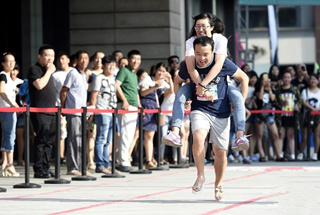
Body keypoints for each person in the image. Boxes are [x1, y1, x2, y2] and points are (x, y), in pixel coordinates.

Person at [162, 12, 249, 151]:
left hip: (221, 83)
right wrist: (198, 89)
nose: (200, 29)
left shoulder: (220, 40)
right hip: (196, 82)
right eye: (197, 26)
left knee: (238, 97)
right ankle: (174, 133)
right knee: (180, 95)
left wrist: (240, 105)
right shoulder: (191, 42)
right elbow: (191, 69)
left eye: (204, 26)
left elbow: (219, 65)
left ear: (212, 27)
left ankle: (240, 136)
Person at [188, 36, 248, 200]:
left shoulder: (222, 63)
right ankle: (200, 176)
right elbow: (177, 80)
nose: (202, 58)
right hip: (200, 109)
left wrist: (239, 103)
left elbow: (244, 78)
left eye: (205, 54)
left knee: (220, 152)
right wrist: (184, 99)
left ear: (212, 52)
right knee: (198, 136)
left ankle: (219, 184)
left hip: (221, 112)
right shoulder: (189, 63)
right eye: (198, 54)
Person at [28, 45, 56, 178]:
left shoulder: (48, 71)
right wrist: (49, 72)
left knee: (49, 141)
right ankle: (38, 169)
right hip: (40, 111)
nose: (50, 58)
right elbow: (39, 85)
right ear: (40, 56)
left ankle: (46, 167)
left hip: (51, 111)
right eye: (47, 55)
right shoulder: (35, 69)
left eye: (52, 56)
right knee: (41, 140)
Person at [60, 50, 89, 175]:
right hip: (73, 110)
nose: (84, 61)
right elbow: (64, 91)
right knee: (73, 140)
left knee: (81, 140)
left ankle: (81, 167)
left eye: (86, 58)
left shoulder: (83, 75)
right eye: (82, 58)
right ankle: (72, 167)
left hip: (82, 111)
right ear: (76, 60)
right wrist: (63, 108)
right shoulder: (73, 73)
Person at [115, 49, 142, 172]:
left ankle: (124, 159)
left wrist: (139, 105)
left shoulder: (134, 74)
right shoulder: (124, 71)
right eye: (134, 59)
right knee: (125, 135)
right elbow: (116, 85)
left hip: (134, 107)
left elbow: (135, 92)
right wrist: (124, 100)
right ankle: (122, 161)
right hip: (126, 106)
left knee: (130, 135)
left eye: (138, 59)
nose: (136, 61)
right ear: (129, 59)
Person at [90, 55, 117, 174]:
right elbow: (93, 97)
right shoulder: (98, 78)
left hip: (112, 112)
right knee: (101, 138)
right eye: (109, 65)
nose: (111, 68)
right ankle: (99, 164)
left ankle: (107, 164)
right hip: (102, 111)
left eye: (113, 65)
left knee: (108, 140)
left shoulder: (112, 78)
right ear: (103, 66)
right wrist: (92, 113)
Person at [52, 51, 74, 164]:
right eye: (59, 59)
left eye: (63, 58)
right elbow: (54, 92)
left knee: (73, 133)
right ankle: (60, 157)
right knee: (61, 133)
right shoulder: (55, 75)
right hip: (60, 106)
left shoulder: (74, 73)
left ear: (68, 60)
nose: (61, 61)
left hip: (74, 107)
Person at [274, 71, 301, 160]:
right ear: (282, 78)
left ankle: (292, 155)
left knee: (291, 136)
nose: (287, 79)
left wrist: (297, 107)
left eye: (288, 77)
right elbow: (275, 102)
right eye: (285, 77)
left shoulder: (295, 89)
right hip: (281, 116)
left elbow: (299, 101)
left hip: (292, 115)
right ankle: (280, 154)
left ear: (291, 78)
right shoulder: (279, 89)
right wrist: (281, 103)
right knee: (281, 135)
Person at [0, 52, 20, 177]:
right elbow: (1, 91)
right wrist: (12, 104)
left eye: (13, 61)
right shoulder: (3, 75)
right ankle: (9, 165)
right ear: (3, 63)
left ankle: (5, 163)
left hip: (8, 109)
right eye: (8, 61)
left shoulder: (9, 77)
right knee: (10, 136)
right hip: (7, 109)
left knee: (7, 135)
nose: (11, 63)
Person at [298, 74, 320, 161]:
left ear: (318, 81)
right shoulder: (305, 91)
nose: (313, 81)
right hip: (307, 116)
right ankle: (300, 153)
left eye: (315, 79)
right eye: (311, 79)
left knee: (317, 135)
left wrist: (317, 109)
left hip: (318, 116)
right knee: (305, 137)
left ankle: (315, 153)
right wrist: (312, 108)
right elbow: (303, 101)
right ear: (308, 81)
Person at [11, 63, 25, 166]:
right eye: (12, 70)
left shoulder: (22, 83)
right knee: (7, 134)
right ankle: (5, 159)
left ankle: (20, 158)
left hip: (20, 112)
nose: (13, 72)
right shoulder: (4, 81)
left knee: (19, 135)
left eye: (15, 70)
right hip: (8, 110)